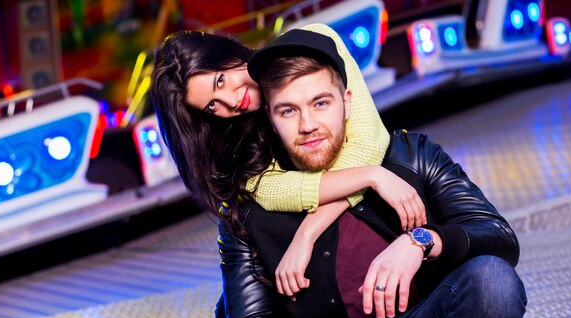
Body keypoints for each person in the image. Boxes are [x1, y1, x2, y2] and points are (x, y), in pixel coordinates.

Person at [217, 28, 527, 318]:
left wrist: (421, 241)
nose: (308, 124)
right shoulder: (249, 211)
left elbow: (498, 237)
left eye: (321, 103)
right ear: (270, 116)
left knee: (493, 281)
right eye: (289, 110)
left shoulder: (409, 156)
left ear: (347, 102)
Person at [150, 24, 427, 300]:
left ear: (228, 53)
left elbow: (368, 145)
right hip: (322, 291)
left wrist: (307, 233)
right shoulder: (239, 149)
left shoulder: (314, 43)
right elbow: (276, 193)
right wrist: (371, 177)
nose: (231, 102)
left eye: (220, 81)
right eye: (212, 105)